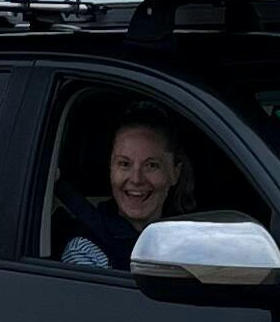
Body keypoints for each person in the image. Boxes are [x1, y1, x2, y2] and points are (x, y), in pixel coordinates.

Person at [59, 110, 202, 270]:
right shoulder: (86, 251)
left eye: (151, 165)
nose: (136, 179)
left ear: (175, 173)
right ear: (111, 169)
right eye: (125, 164)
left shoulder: (192, 238)